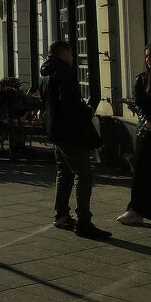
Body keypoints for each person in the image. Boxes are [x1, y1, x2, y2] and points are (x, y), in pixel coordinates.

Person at [40, 40, 111, 239]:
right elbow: (69, 102)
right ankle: (84, 221)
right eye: (71, 54)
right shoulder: (64, 72)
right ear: (64, 54)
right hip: (71, 132)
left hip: (55, 131)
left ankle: (61, 214)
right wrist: (86, 110)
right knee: (83, 174)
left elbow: (45, 103)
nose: (72, 57)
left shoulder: (45, 74)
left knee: (64, 172)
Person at [118, 44, 151, 227]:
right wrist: (146, 119)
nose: (149, 59)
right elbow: (139, 104)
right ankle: (136, 211)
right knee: (143, 173)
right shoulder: (142, 80)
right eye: (147, 56)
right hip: (148, 133)